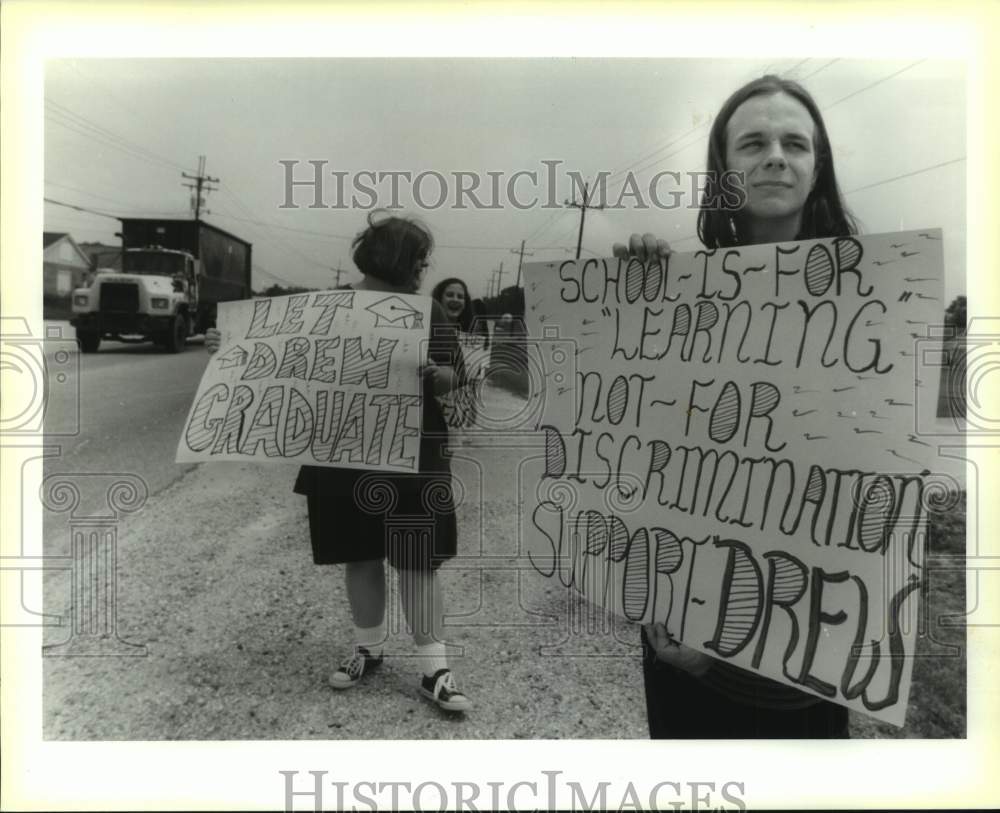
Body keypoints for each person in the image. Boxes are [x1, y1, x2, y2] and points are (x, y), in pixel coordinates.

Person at [613, 75, 857, 738]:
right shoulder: (676, 296)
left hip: (809, 655)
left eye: (794, 142)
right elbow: (638, 448)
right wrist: (632, 307)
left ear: (818, 164)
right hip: (687, 650)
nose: (775, 155)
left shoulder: (874, 300)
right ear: (722, 171)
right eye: (752, 142)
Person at [206, 211, 471, 713]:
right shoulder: (321, 309)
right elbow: (272, 361)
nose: (422, 267)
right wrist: (226, 348)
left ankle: (435, 669)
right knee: (360, 555)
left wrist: (439, 375)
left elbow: (454, 376)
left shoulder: (428, 311)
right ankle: (369, 649)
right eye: (418, 258)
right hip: (342, 455)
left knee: (418, 562)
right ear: (396, 256)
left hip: (413, 457)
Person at [431, 277, 489, 433]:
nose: (455, 299)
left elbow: (474, 377)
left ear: (465, 303)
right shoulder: (426, 329)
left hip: (456, 410)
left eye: (460, 296)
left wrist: (473, 405)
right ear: (439, 298)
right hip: (429, 406)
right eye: (450, 295)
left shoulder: (472, 336)